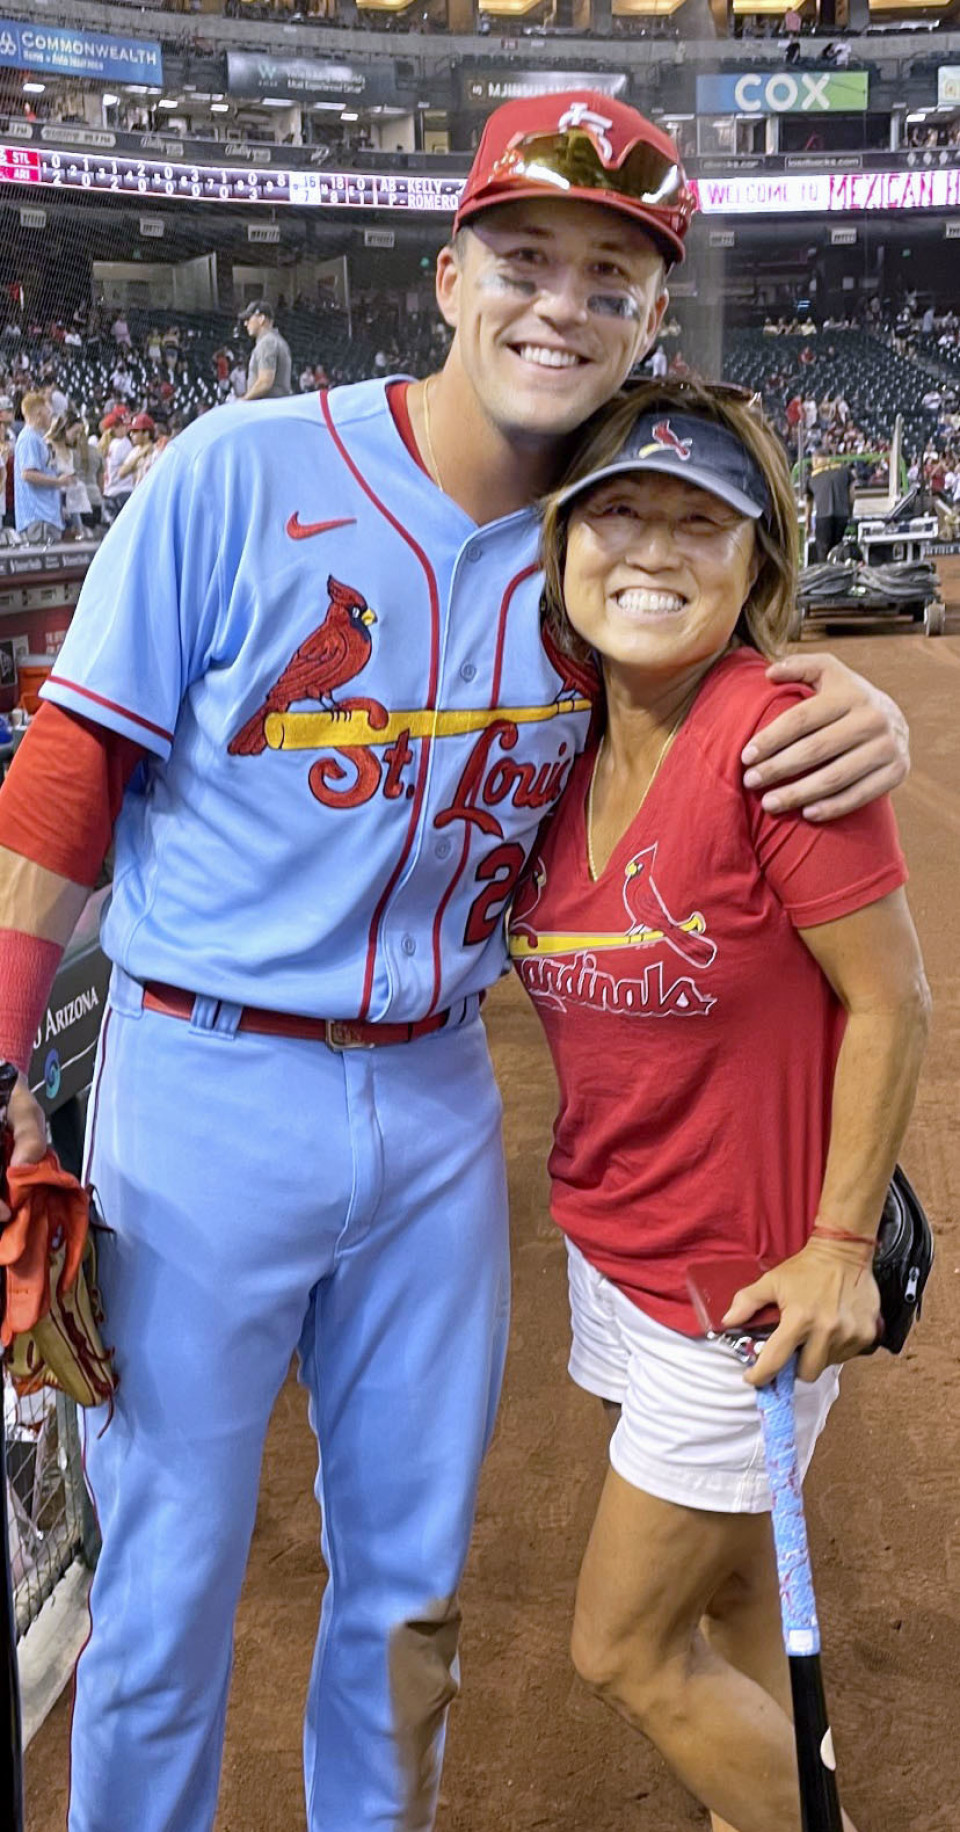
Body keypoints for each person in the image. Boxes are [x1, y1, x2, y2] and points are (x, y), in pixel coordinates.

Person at [0, 94, 909, 1832]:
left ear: (651, 318)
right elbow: (64, 781)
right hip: (203, 1090)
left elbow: (730, 702)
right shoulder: (235, 472)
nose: (561, 305)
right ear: (448, 272)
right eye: (525, 258)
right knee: (170, 1588)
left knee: (410, 1586)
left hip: (430, 1101)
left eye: (611, 277)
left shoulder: (605, 544)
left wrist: (846, 696)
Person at [510, 379, 929, 1832]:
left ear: (758, 564)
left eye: (705, 522)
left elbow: (892, 1002)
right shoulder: (560, 741)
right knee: (742, 1585)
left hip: (743, 1293)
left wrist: (835, 1241)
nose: (656, 549)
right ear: (561, 542)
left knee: (623, 1645)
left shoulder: (780, 742)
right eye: (621, 508)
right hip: (619, 1250)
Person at [13, 390, 63, 542]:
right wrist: (59, 482)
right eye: (48, 412)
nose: (50, 416)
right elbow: (28, 474)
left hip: (47, 514)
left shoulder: (38, 438)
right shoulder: (28, 439)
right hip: (38, 516)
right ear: (39, 414)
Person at [241, 298, 293, 399]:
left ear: (261, 319)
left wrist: (244, 401)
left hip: (268, 407)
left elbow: (265, 382)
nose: (245, 324)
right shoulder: (277, 340)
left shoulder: (267, 343)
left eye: (249, 319)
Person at [807, 452, 853, 562]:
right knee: (839, 551)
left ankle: (826, 575)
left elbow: (808, 502)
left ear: (817, 460)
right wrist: (850, 512)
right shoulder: (845, 471)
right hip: (842, 516)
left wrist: (808, 524)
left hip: (823, 518)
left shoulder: (812, 477)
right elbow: (852, 494)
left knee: (823, 553)